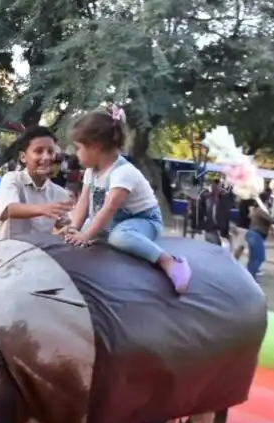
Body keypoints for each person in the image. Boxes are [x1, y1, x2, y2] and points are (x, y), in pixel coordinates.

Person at [64, 109, 191, 293]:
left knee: (119, 236)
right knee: (85, 228)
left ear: (95, 146)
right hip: (113, 222)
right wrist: (74, 228)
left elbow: (108, 210)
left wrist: (85, 236)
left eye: (79, 148)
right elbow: (84, 202)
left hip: (144, 221)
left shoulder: (123, 173)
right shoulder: (91, 172)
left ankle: (169, 261)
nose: (77, 154)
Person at [0, 126, 71, 241]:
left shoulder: (59, 193)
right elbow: (8, 210)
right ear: (23, 157)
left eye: (50, 151)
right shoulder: (12, 179)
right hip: (8, 255)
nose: (46, 157)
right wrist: (43, 209)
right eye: (38, 151)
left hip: (38, 255)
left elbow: (64, 224)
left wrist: (69, 230)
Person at [244, 200, 274, 281]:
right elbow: (270, 219)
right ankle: (250, 277)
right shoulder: (260, 211)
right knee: (259, 257)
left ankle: (248, 276)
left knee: (253, 257)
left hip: (251, 234)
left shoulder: (254, 212)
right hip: (256, 235)